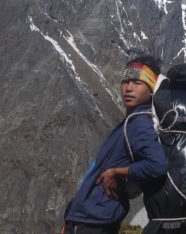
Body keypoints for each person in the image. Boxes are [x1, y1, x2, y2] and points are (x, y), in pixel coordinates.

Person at [63, 55, 168, 234]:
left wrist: (115, 172)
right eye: (125, 81)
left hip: (93, 221)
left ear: (151, 90)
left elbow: (157, 165)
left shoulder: (139, 123)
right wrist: (71, 216)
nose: (128, 88)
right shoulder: (130, 121)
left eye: (137, 82)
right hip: (87, 217)